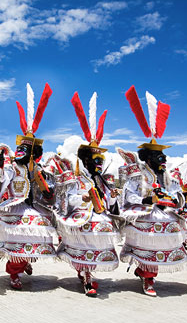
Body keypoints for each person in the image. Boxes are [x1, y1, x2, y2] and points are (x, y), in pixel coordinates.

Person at [117, 87, 187, 297]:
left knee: (165, 237)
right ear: (148, 158)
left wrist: (175, 200)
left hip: (164, 213)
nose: (164, 160)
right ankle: (148, 278)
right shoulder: (138, 175)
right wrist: (148, 198)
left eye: (164, 156)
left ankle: (146, 273)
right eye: (159, 157)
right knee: (149, 241)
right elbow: (128, 196)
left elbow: (177, 192)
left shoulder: (167, 176)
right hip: (145, 213)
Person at [0, 83, 57, 290]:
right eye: (20, 148)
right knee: (17, 236)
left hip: (33, 206)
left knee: (35, 234)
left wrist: (48, 192)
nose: (21, 152)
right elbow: (2, 178)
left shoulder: (38, 168)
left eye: (25, 149)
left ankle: (26, 260)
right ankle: (14, 272)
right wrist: (0, 165)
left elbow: (46, 188)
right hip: (16, 206)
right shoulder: (12, 167)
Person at [53, 91, 120, 297]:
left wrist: (114, 195)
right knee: (85, 244)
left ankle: (87, 273)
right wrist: (83, 198)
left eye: (101, 160)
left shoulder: (103, 179)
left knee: (98, 242)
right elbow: (67, 198)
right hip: (83, 216)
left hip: (100, 216)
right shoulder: (77, 178)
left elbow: (108, 201)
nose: (99, 164)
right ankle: (87, 277)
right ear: (88, 160)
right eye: (96, 160)